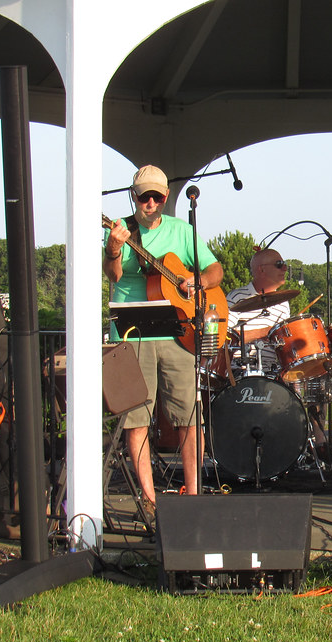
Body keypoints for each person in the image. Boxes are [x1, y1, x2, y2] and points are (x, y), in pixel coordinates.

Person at [104, 165, 224, 515]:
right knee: (136, 418)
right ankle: (150, 498)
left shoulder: (182, 230)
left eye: (157, 197)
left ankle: (194, 496)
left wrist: (196, 280)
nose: (151, 204)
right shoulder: (121, 229)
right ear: (134, 196)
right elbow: (113, 275)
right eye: (145, 197)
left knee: (190, 416)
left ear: (166, 196)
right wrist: (113, 250)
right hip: (132, 332)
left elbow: (215, 270)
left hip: (178, 332)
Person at [225, 248, 291, 375]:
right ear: (262, 269)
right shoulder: (236, 297)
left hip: (271, 373)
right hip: (239, 372)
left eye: (285, 264)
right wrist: (264, 332)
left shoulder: (283, 304)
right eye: (279, 264)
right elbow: (225, 339)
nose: (284, 269)